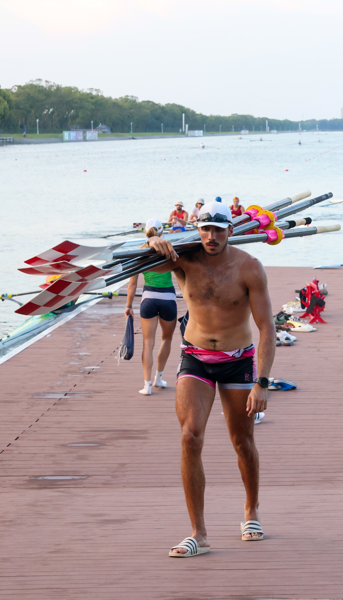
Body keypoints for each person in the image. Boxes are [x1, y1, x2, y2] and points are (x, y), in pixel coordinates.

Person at [145, 202, 275, 556]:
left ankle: (251, 510)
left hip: (238, 361)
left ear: (230, 231)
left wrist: (262, 381)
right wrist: (152, 240)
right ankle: (198, 534)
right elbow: (147, 261)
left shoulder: (250, 268)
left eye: (218, 230)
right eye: (205, 229)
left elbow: (267, 328)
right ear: (197, 229)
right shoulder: (184, 259)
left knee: (242, 440)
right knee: (190, 437)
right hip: (196, 358)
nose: (211, 236)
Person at [124, 219, 179, 396]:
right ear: (161, 233)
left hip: (148, 298)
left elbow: (133, 283)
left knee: (148, 342)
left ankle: (147, 385)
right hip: (168, 298)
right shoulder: (169, 249)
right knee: (167, 339)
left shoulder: (140, 251)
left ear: (145, 233)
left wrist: (128, 305)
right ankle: (159, 378)